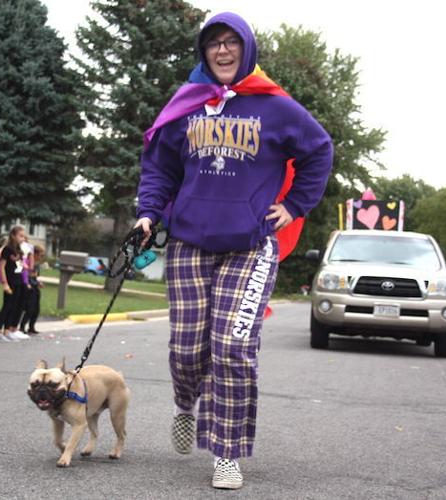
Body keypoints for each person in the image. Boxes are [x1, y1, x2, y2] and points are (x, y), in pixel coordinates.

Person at [135, 12, 333, 489]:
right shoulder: (187, 104)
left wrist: (294, 205)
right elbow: (160, 166)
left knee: (234, 346)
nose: (222, 51)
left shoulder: (276, 106)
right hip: (188, 244)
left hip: (250, 245)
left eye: (231, 43)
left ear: (247, 48)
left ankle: (227, 452)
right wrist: (148, 211)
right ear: (203, 51)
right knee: (187, 351)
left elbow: (319, 149)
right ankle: (186, 404)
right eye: (213, 44)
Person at [0, 226, 30, 341]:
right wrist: (4, 283)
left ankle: (7, 330)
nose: (22, 238)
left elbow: (18, 263)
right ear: (13, 235)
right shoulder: (7, 249)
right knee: (7, 306)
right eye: (20, 236)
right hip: (10, 280)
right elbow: (2, 267)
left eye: (24, 236)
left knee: (14, 306)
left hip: (18, 280)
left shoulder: (18, 249)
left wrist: (23, 265)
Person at [20, 245, 45, 334]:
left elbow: (34, 277)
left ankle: (32, 326)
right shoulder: (29, 264)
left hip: (35, 288)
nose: (40, 258)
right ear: (35, 254)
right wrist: (33, 282)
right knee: (29, 309)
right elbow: (27, 277)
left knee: (36, 309)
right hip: (29, 288)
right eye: (40, 255)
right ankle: (22, 326)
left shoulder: (37, 266)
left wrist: (38, 283)